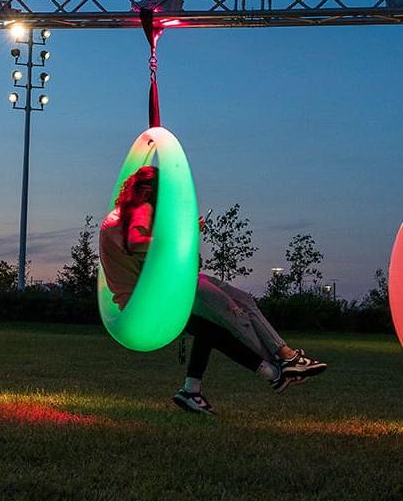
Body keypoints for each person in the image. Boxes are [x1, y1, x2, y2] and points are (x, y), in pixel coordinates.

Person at [99, 165, 327, 415]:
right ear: (147, 192)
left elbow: (150, 259)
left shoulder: (118, 216)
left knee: (221, 321)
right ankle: (282, 365)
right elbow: (137, 243)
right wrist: (183, 234)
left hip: (152, 295)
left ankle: (193, 390)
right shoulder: (141, 209)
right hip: (149, 303)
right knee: (233, 313)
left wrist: (185, 235)